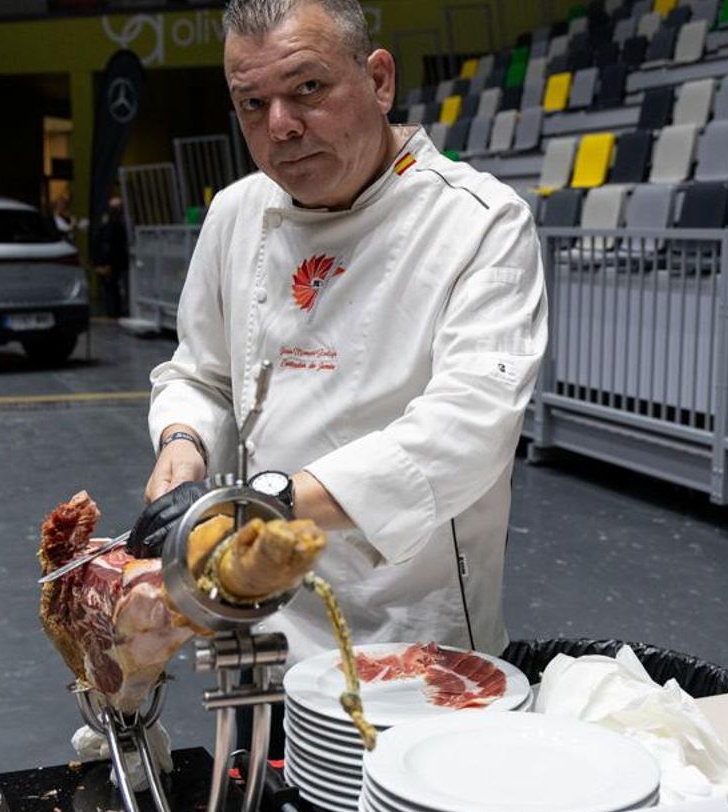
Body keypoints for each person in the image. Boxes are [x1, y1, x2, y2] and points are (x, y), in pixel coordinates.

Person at [136, 0, 547, 673]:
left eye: (308, 88)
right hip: (254, 616)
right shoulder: (236, 213)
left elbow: (468, 427)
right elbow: (200, 374)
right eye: (252, 104)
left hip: (412, 631)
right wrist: (183, 443)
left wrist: (265, 504)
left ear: (379, 81)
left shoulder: (479, 222)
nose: (281, 125)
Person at [92, 195, 130, 319]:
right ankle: (114, 311)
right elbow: (108, 245)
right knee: (113, 288)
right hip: (113, 262)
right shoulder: (114, 224)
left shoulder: (108, 223)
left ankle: (113, 311)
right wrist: (105, 263)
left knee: (111, 288)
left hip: (112, 262)